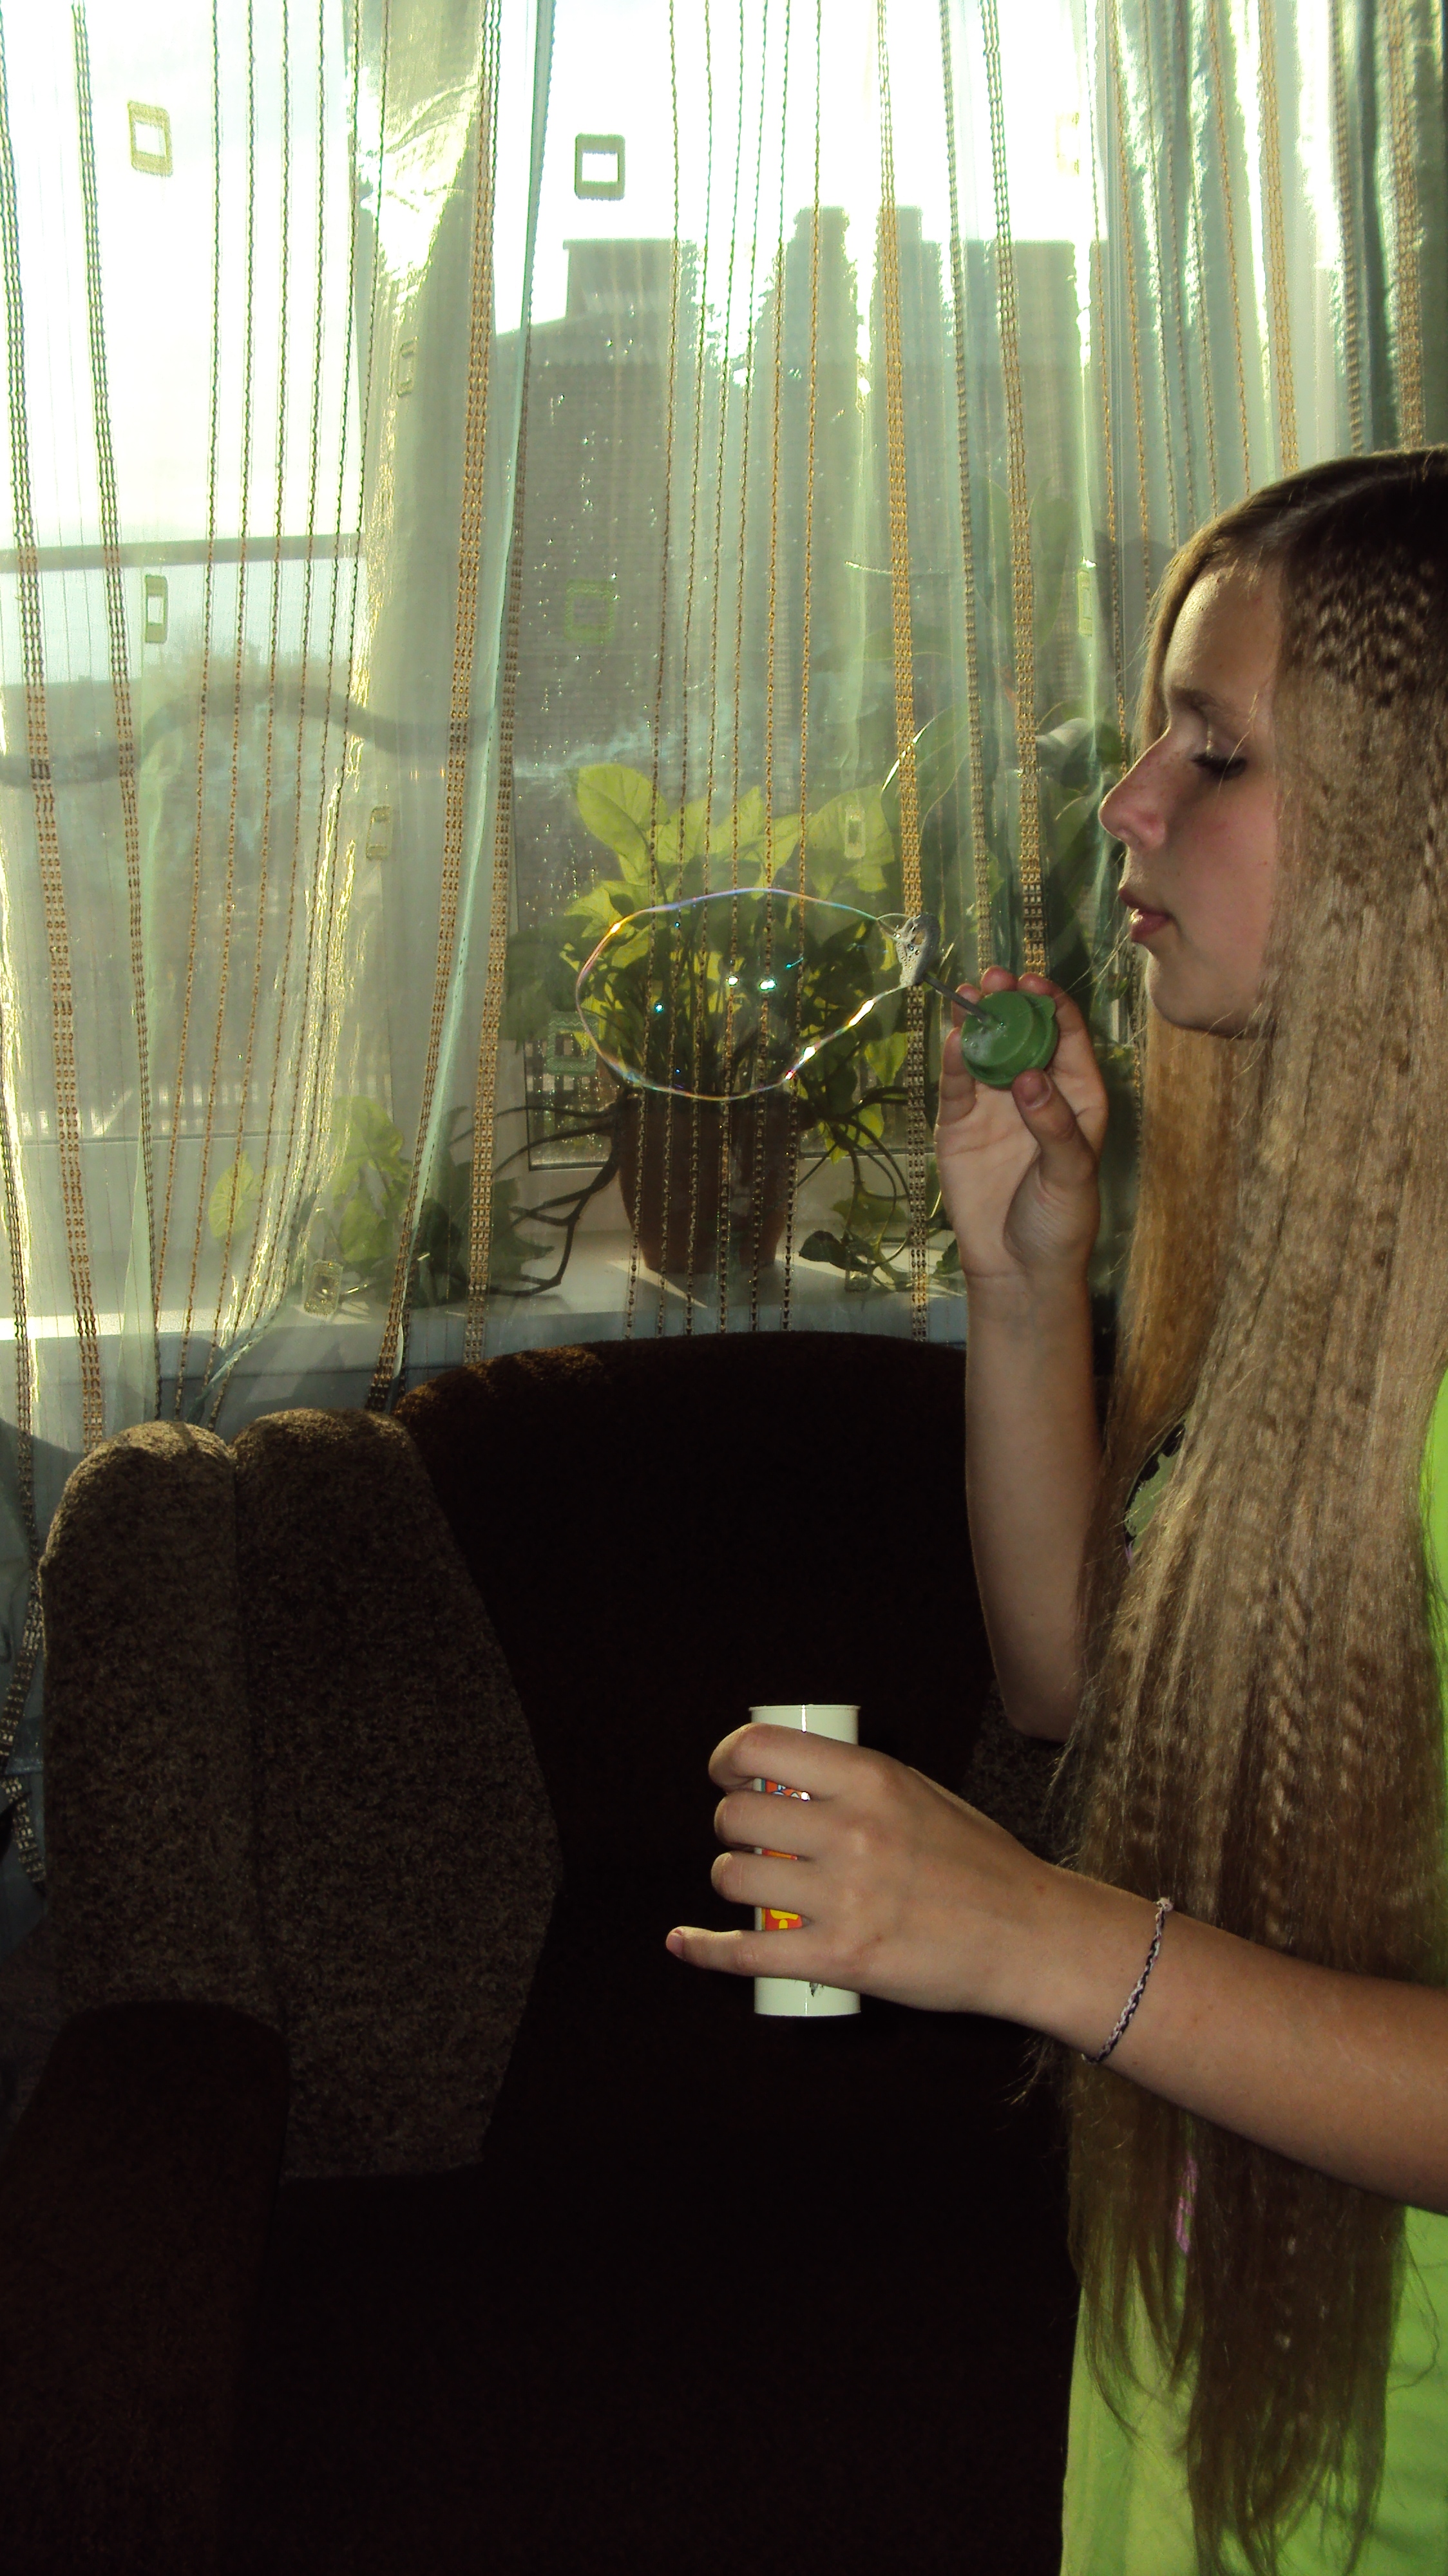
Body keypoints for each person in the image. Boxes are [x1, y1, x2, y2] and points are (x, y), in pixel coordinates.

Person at [664, 446, 1448, 2575]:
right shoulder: (1337, 1261)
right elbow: (1070, 1680)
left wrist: (1026, 1932)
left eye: (1215, 751)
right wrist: (1027, 1284)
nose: (1126, 800)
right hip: (1197, 2423)